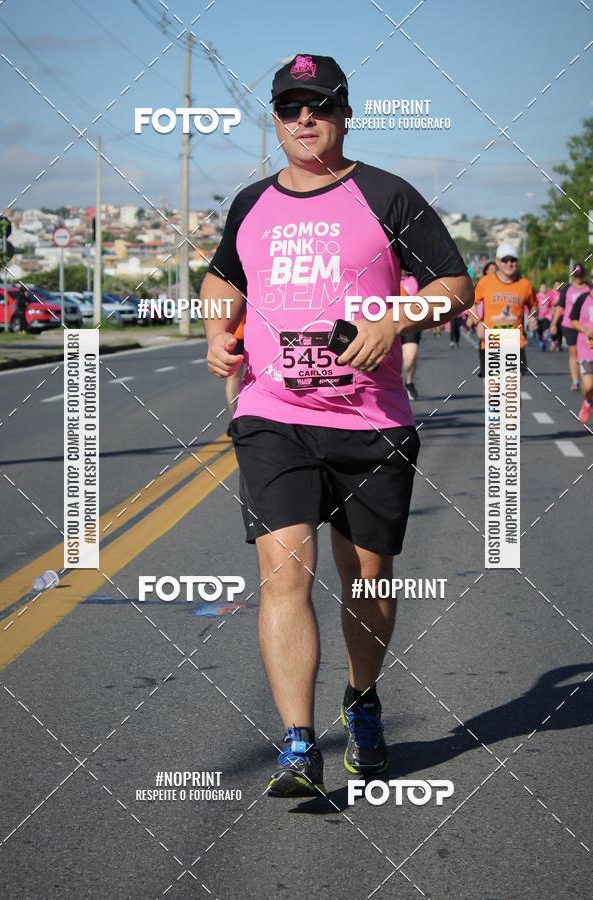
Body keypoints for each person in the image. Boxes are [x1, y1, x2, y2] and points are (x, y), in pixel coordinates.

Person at [201, 52, 473, 797]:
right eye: (290, 108)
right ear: (278, 120)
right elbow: (223, 274)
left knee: (370, 582)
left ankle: (362, 699)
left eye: (318, 106)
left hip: (371, 422)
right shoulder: (251, 201)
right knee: (284, 572)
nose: (304, 119)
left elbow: (455, 281)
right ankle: (296, 742)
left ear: (345, 114)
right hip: (273, 415)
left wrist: (397, 315)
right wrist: (216, 330)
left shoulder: (387, 195)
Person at [472, 243, 537, 378]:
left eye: (512, 260)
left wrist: (532, 317)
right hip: (491, 340)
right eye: (505, 260)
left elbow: (533, 306)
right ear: (497, 261)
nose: (509, 263)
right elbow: (470, 304)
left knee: (510, 390)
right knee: (493, 389)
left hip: (514, 341)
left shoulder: (525, 285)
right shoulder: (485, 282)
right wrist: (477, 322)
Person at [550, 264, 590, 390]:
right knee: (574, 353)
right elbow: (560, 307)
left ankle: (587, 377)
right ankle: (576, 380)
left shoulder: (589, 288)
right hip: (569, 325)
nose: (578, 278)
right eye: (576, 276)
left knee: (586, 353)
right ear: (573, 276)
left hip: (585, 326)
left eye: (581, 276)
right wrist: (554, 323)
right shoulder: (567, 289)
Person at [569, 284, 593, 424]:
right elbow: (573, 320)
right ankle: (588, 401)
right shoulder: (583, 298)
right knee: (588, 386)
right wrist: (586, 330)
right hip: (586, 347)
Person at [399, 273, 421, 398]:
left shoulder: (416, 279)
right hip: (386, 321)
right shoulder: (386, 274)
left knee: (410, 355)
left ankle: (409, 382)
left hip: (411, 321)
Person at [225, 314, 246, 438]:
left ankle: (236, 419)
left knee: (233, 378)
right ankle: (236, 418)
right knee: (233, 377)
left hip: (238, 332)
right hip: (239, 333)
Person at [535, 282, 553, 351]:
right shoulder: (536, 296)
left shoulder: (548, 297)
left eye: (544, 287)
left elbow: (551, 305)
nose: (543, 289)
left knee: (546, 329)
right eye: (542, 287)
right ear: (539, 288)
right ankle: (541, 340)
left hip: (547, 316)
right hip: (539, 316)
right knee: (539, 330)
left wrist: (551, 314)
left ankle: (544, 341)